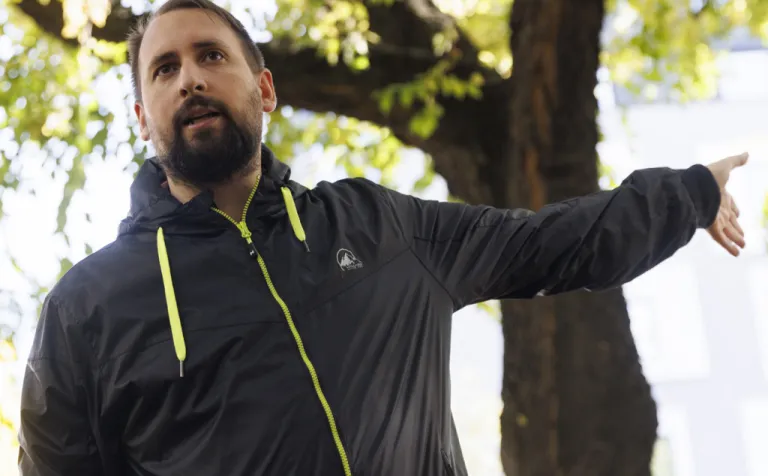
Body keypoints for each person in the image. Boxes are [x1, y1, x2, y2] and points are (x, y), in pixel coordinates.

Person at [17, 0, 748, 475]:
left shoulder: (380, 226)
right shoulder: (87, 310)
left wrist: (687, 193)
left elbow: (551, 242)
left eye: (211, 56)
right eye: (165, 69)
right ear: (143, 119)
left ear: (265, 90)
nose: (190, 80)